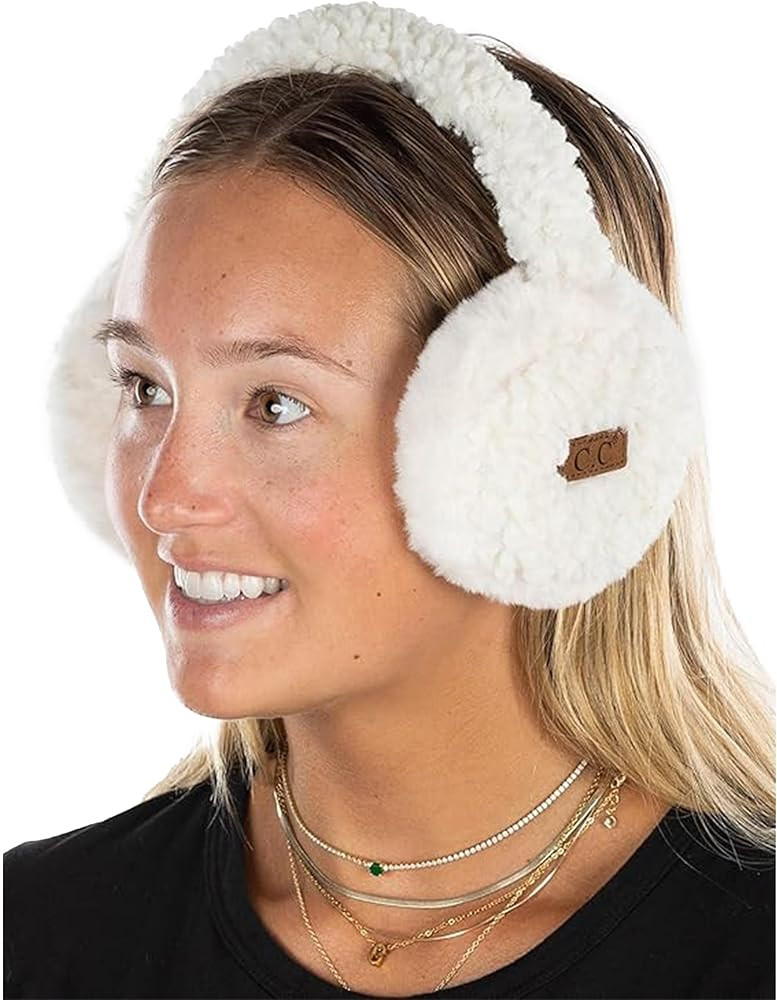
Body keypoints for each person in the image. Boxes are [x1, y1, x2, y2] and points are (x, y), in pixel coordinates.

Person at [5, 4, 775, 998]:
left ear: (537, 440)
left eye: (275, 403)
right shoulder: (36, 933)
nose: (165, 497)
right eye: (143, 387)